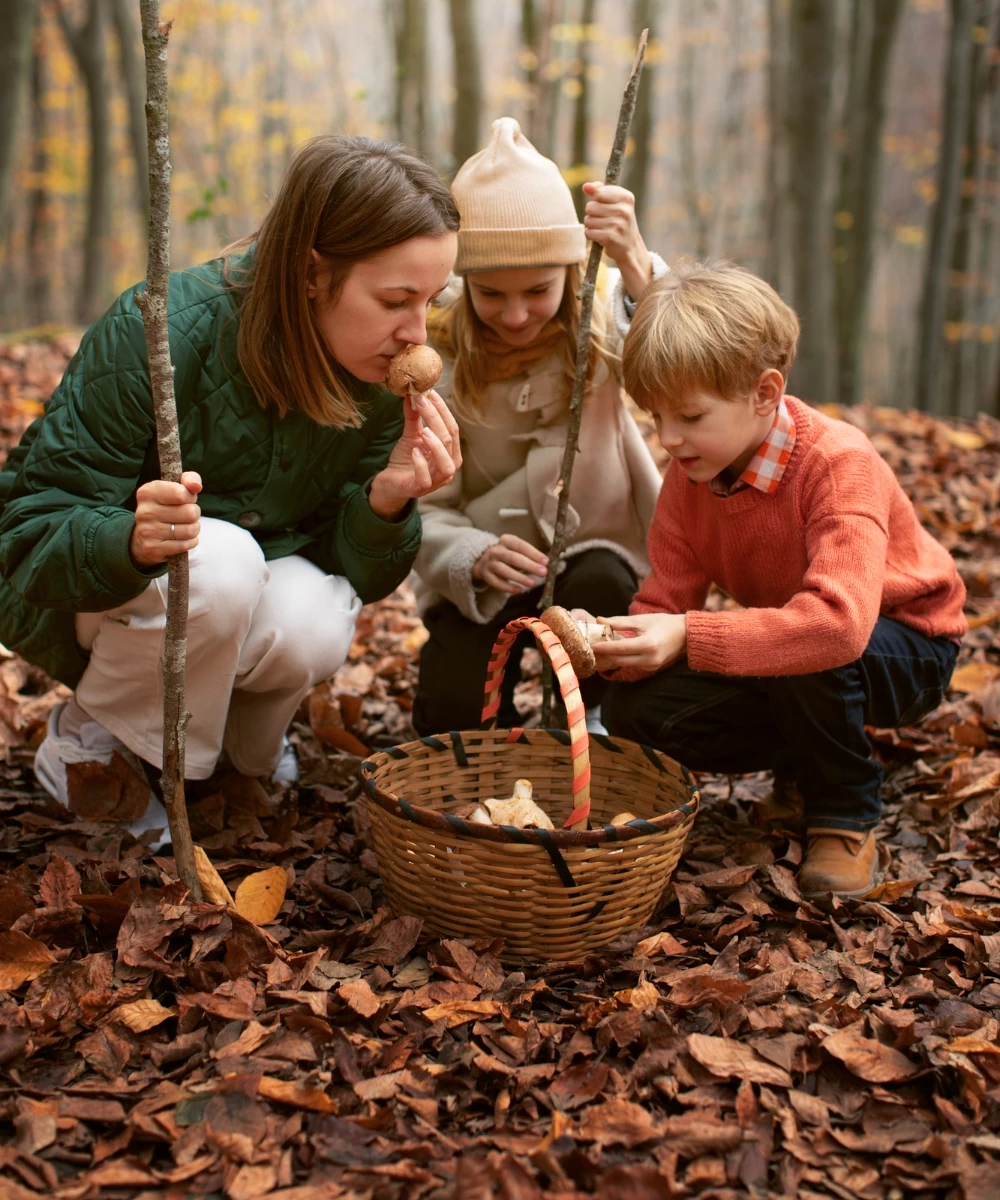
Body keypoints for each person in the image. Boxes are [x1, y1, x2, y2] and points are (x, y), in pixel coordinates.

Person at [0, 135, 463, 847]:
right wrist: (126, 537)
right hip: (106, 596)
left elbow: (357, 577)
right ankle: (88, 741)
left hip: (222, 601)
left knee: (313, 611)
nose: (415, 334)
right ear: (313, 273)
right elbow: (26, 536)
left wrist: (387, 500)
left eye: (431, 301)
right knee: (221, 562)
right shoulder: (158, 329)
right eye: (397, 300)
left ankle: (228, 758)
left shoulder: (373, 380)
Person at [579, 259, 966, 899]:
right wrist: (614, 647)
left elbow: (838, 628)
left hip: (903, 641)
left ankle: (844, 811)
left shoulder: (837, 464)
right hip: (800, 643)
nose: (670, 439)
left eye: (691, 417)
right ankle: (805, 753)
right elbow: (666, 602)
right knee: (632, 709)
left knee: (811, 653)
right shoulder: (691, 475)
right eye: (656, 418)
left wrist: (686, 634)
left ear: (764, 392)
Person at [410, 117, 665, 735]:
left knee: (603, 584)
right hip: (488, 568)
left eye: (538, 289)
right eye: (490, 294)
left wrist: (635, 265)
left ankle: (596, 714)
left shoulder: (600, 319)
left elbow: (677, 365)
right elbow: (423, 504)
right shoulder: (440, 354)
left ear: (570, 273)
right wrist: (470, 555)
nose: (516, 314)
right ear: (463, 283)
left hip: (593, 558)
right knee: (453, 714)